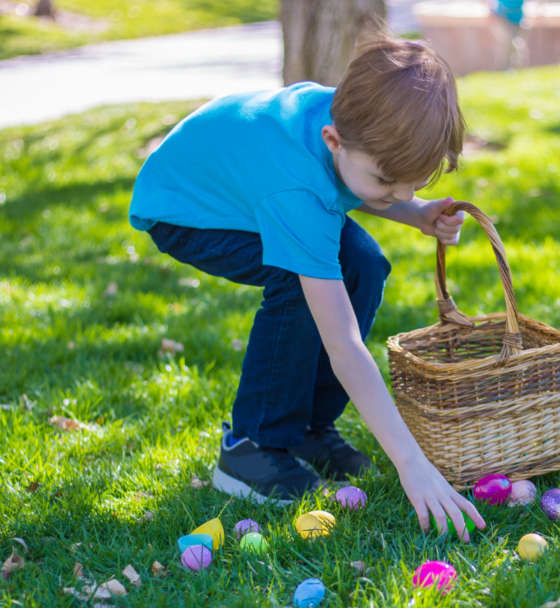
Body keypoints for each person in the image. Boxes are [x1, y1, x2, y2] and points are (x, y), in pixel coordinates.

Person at [128, 33, 485, 540]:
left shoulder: (353, 122)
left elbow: (345, 179)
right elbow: (343, 345)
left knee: (362, 263)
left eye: (414, 184)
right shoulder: (297, 185)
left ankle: (308, 432)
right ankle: (250, 447)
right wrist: (411, 463)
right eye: (389, 183)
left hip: (251, 184)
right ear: (333, 140)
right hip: (185, 208)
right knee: (298, 280)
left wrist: (416, 214)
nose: (400, 195)